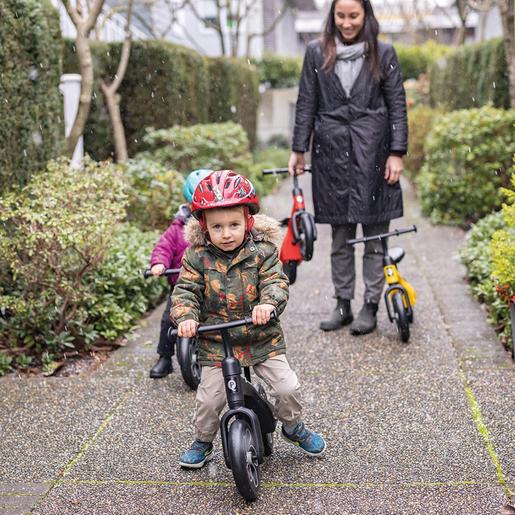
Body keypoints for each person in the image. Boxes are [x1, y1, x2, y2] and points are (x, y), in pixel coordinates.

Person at [171, 170, 326, 468]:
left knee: (286, 388)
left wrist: (268, 304)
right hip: (217, 341)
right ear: (204, 226)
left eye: (233, 225)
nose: (226, 233)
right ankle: (203, 441)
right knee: (208, 400)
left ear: (248, 221)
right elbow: (185, 291)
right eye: (217, 226)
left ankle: (294, 428)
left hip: (260, 336)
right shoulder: (196, 257)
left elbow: (276, 283)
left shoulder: (263, 252)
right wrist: (186, 318)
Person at [288, 0, 408, 335]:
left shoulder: (383, 53)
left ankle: (370, 305)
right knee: (340, 235)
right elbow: (306, 101)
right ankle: (343, 303)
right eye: (340, 15)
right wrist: (299, 149)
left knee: (374, 234)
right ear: (332, 16)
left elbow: (397, 103)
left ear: (366, 15)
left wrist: (396, 152)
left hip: (374, 151)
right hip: (331, 152)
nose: (347, 23)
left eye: (353, 15)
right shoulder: (316, 52)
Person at [148, 169, 212, 378]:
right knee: (168, 321)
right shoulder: (177, 228)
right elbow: (163, 247)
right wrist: (159, 263)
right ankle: (165, 358)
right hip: (181, 287)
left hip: (213, 286)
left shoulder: (215, 227)